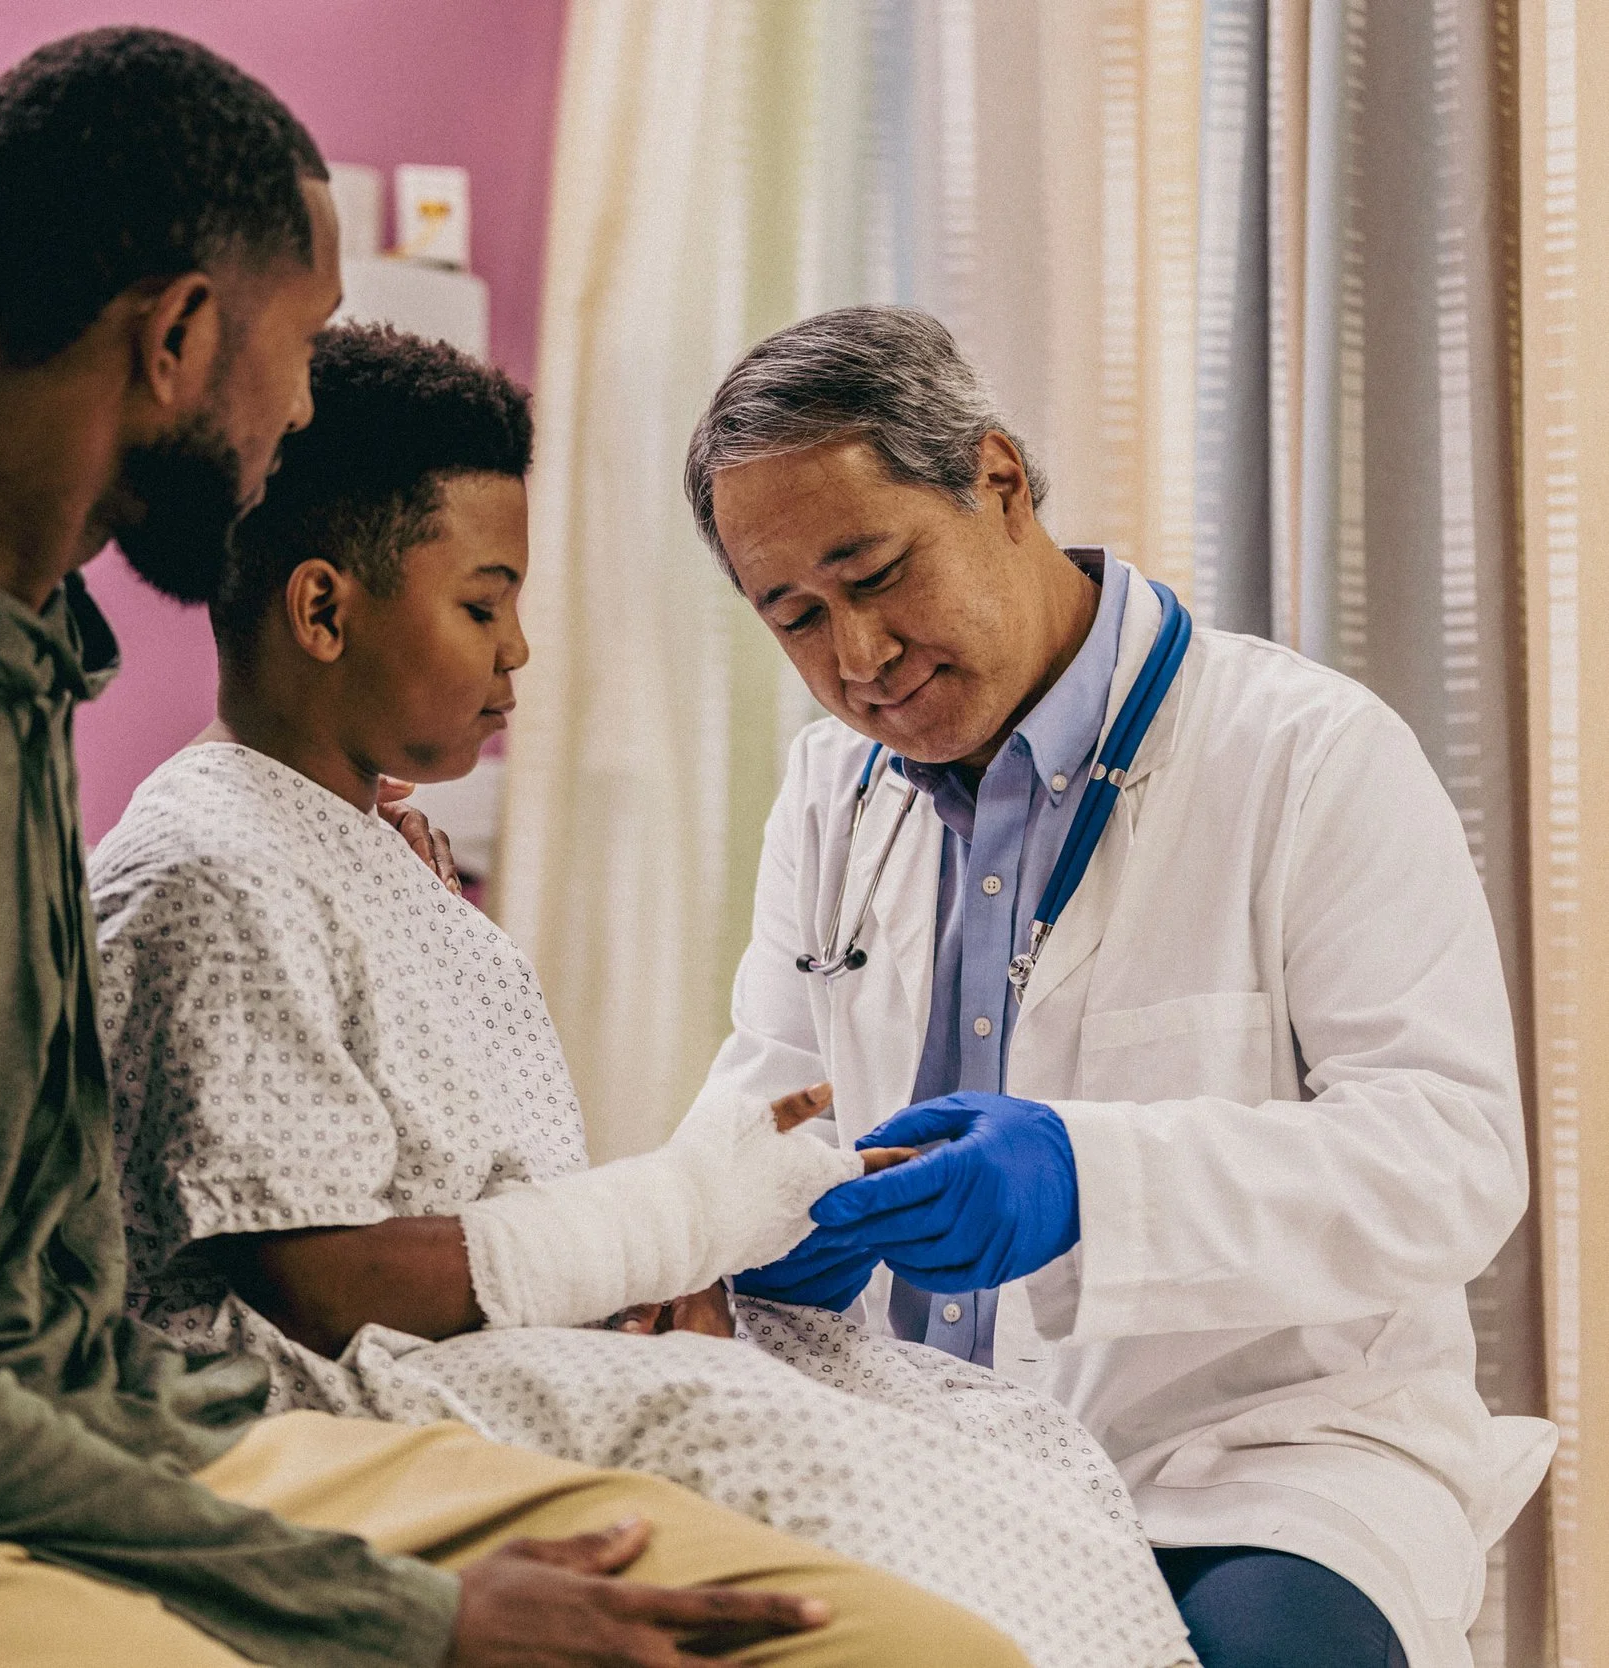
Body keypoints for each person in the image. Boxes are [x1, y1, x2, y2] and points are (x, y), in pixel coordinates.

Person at [0, 31, 1025, 1668]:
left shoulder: (11, 664)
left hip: (110, 1444)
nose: (301, 411)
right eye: (295, 354)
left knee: (882, 1640)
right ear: (177, 339)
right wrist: (403, 1615)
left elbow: (57, 1327)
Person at [92, 322, 1196, 1668]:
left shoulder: (367, 853)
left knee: (1005, 1445)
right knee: (822, 1472)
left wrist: (679, 1260)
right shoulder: (217, 869)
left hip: (488, 1350)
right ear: (323, 610)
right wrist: (678, 1222)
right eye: (484, 605)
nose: (520, 655)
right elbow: (316, 1291)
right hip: (347, 1399)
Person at [683, 303, 1558, 1668]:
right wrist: (748, 1213)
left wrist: (1092, 1183)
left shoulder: (1306, 757)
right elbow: (770, 1082)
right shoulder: (829, 797)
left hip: (1253, 1469)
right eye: (796, 616)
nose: (857, 659)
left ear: (1000, 482)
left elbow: (1451, 1159)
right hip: (907, 1444)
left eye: (876, 572)